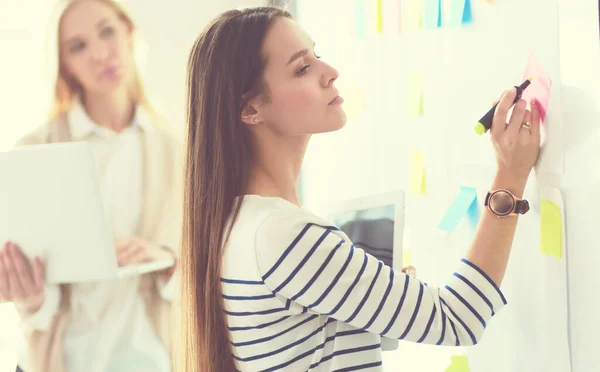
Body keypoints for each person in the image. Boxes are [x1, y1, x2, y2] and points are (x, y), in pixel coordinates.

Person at [178, 6, 541, 372]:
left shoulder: (241, 225)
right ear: (250, 109)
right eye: (302, 68)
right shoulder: (284, 235)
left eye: (317, 56)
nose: (331, 73)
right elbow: (459, 318)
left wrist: (374, 297)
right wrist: (510, 178)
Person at [0, 1, 183, 371]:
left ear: (128, 33)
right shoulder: (34, 151)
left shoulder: (176, 149)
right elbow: (35, 303)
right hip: (60, 358)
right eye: (78, 46)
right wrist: (30, 298)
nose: (100, 53)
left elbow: (203, 271)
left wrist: (166, 261)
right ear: (63, 63)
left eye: (107, 31)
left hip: (147, 357)